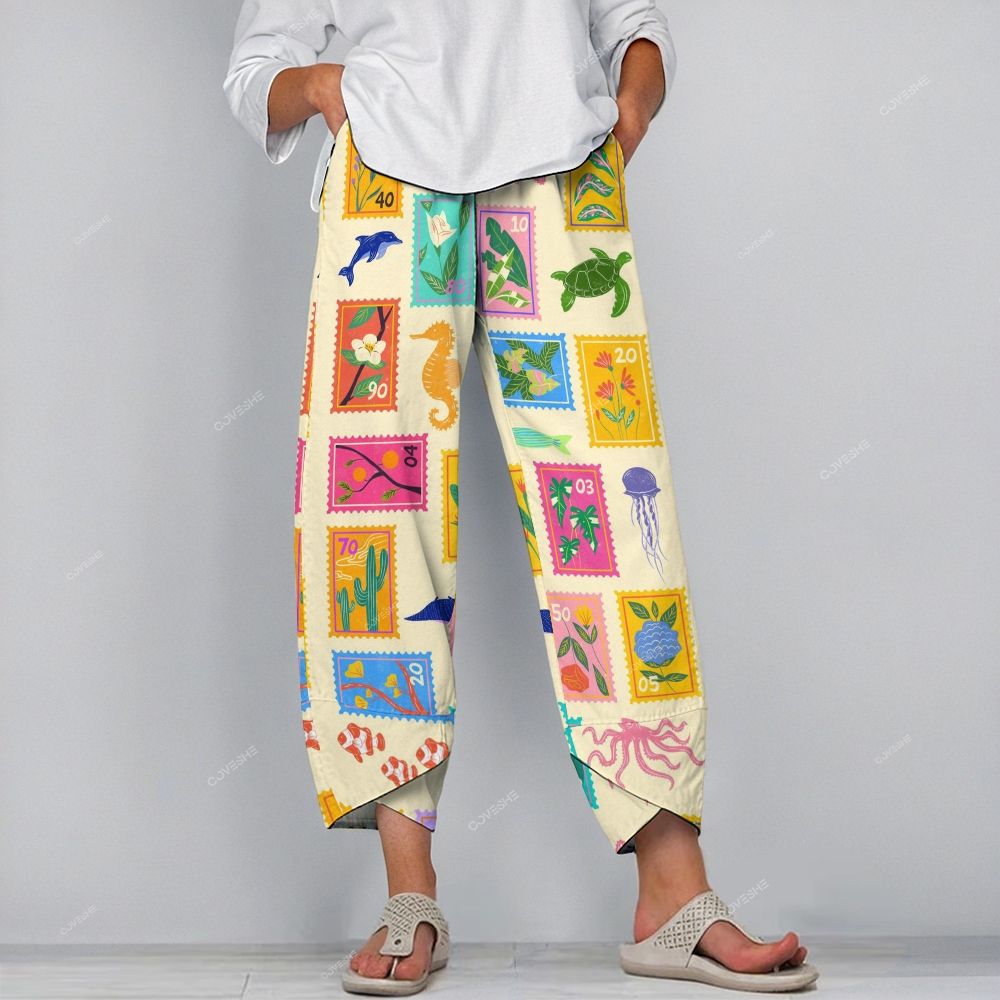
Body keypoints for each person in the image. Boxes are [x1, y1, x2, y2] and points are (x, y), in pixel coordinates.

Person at [224, 2, 819, 994]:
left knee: (618, 532)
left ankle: (671, 891)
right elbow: (257, 70)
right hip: (388, 183)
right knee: (378, 533)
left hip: (560, 177)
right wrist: (327, 87)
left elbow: (633, 19)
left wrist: (629, 110)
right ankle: (409, 895)